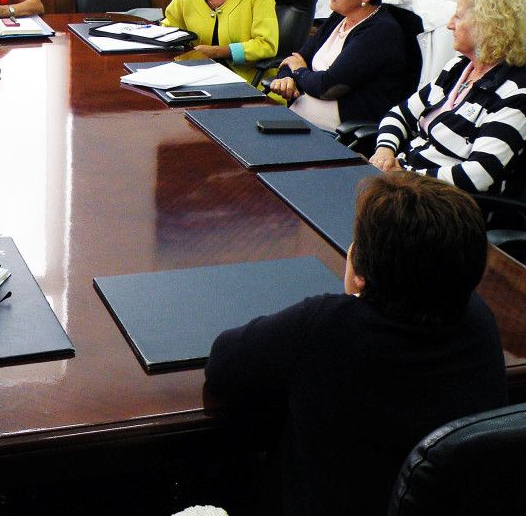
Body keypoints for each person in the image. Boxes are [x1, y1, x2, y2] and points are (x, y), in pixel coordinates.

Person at [205, 171, 507, 516]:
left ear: (360, 269)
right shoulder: (480, 321)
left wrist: (351, 295)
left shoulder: (326, 324)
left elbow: (223, 365)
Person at [370, 0, 526, 193]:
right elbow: (400, 114)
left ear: (488, 27)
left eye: (459, 17)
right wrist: (384, 150)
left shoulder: (514, 95)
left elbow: (479, 174)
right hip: (403, 181)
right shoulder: (458, 67)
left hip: (437, 199)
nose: (450, 25)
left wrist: (405, 175)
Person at [270, 0, 416, 130]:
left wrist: (299, 72)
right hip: (300, 115)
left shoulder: (380, 33)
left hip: (341, 132)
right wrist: (286, 78)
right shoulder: (341, 15)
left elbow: (327, 87)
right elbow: (297, 57)